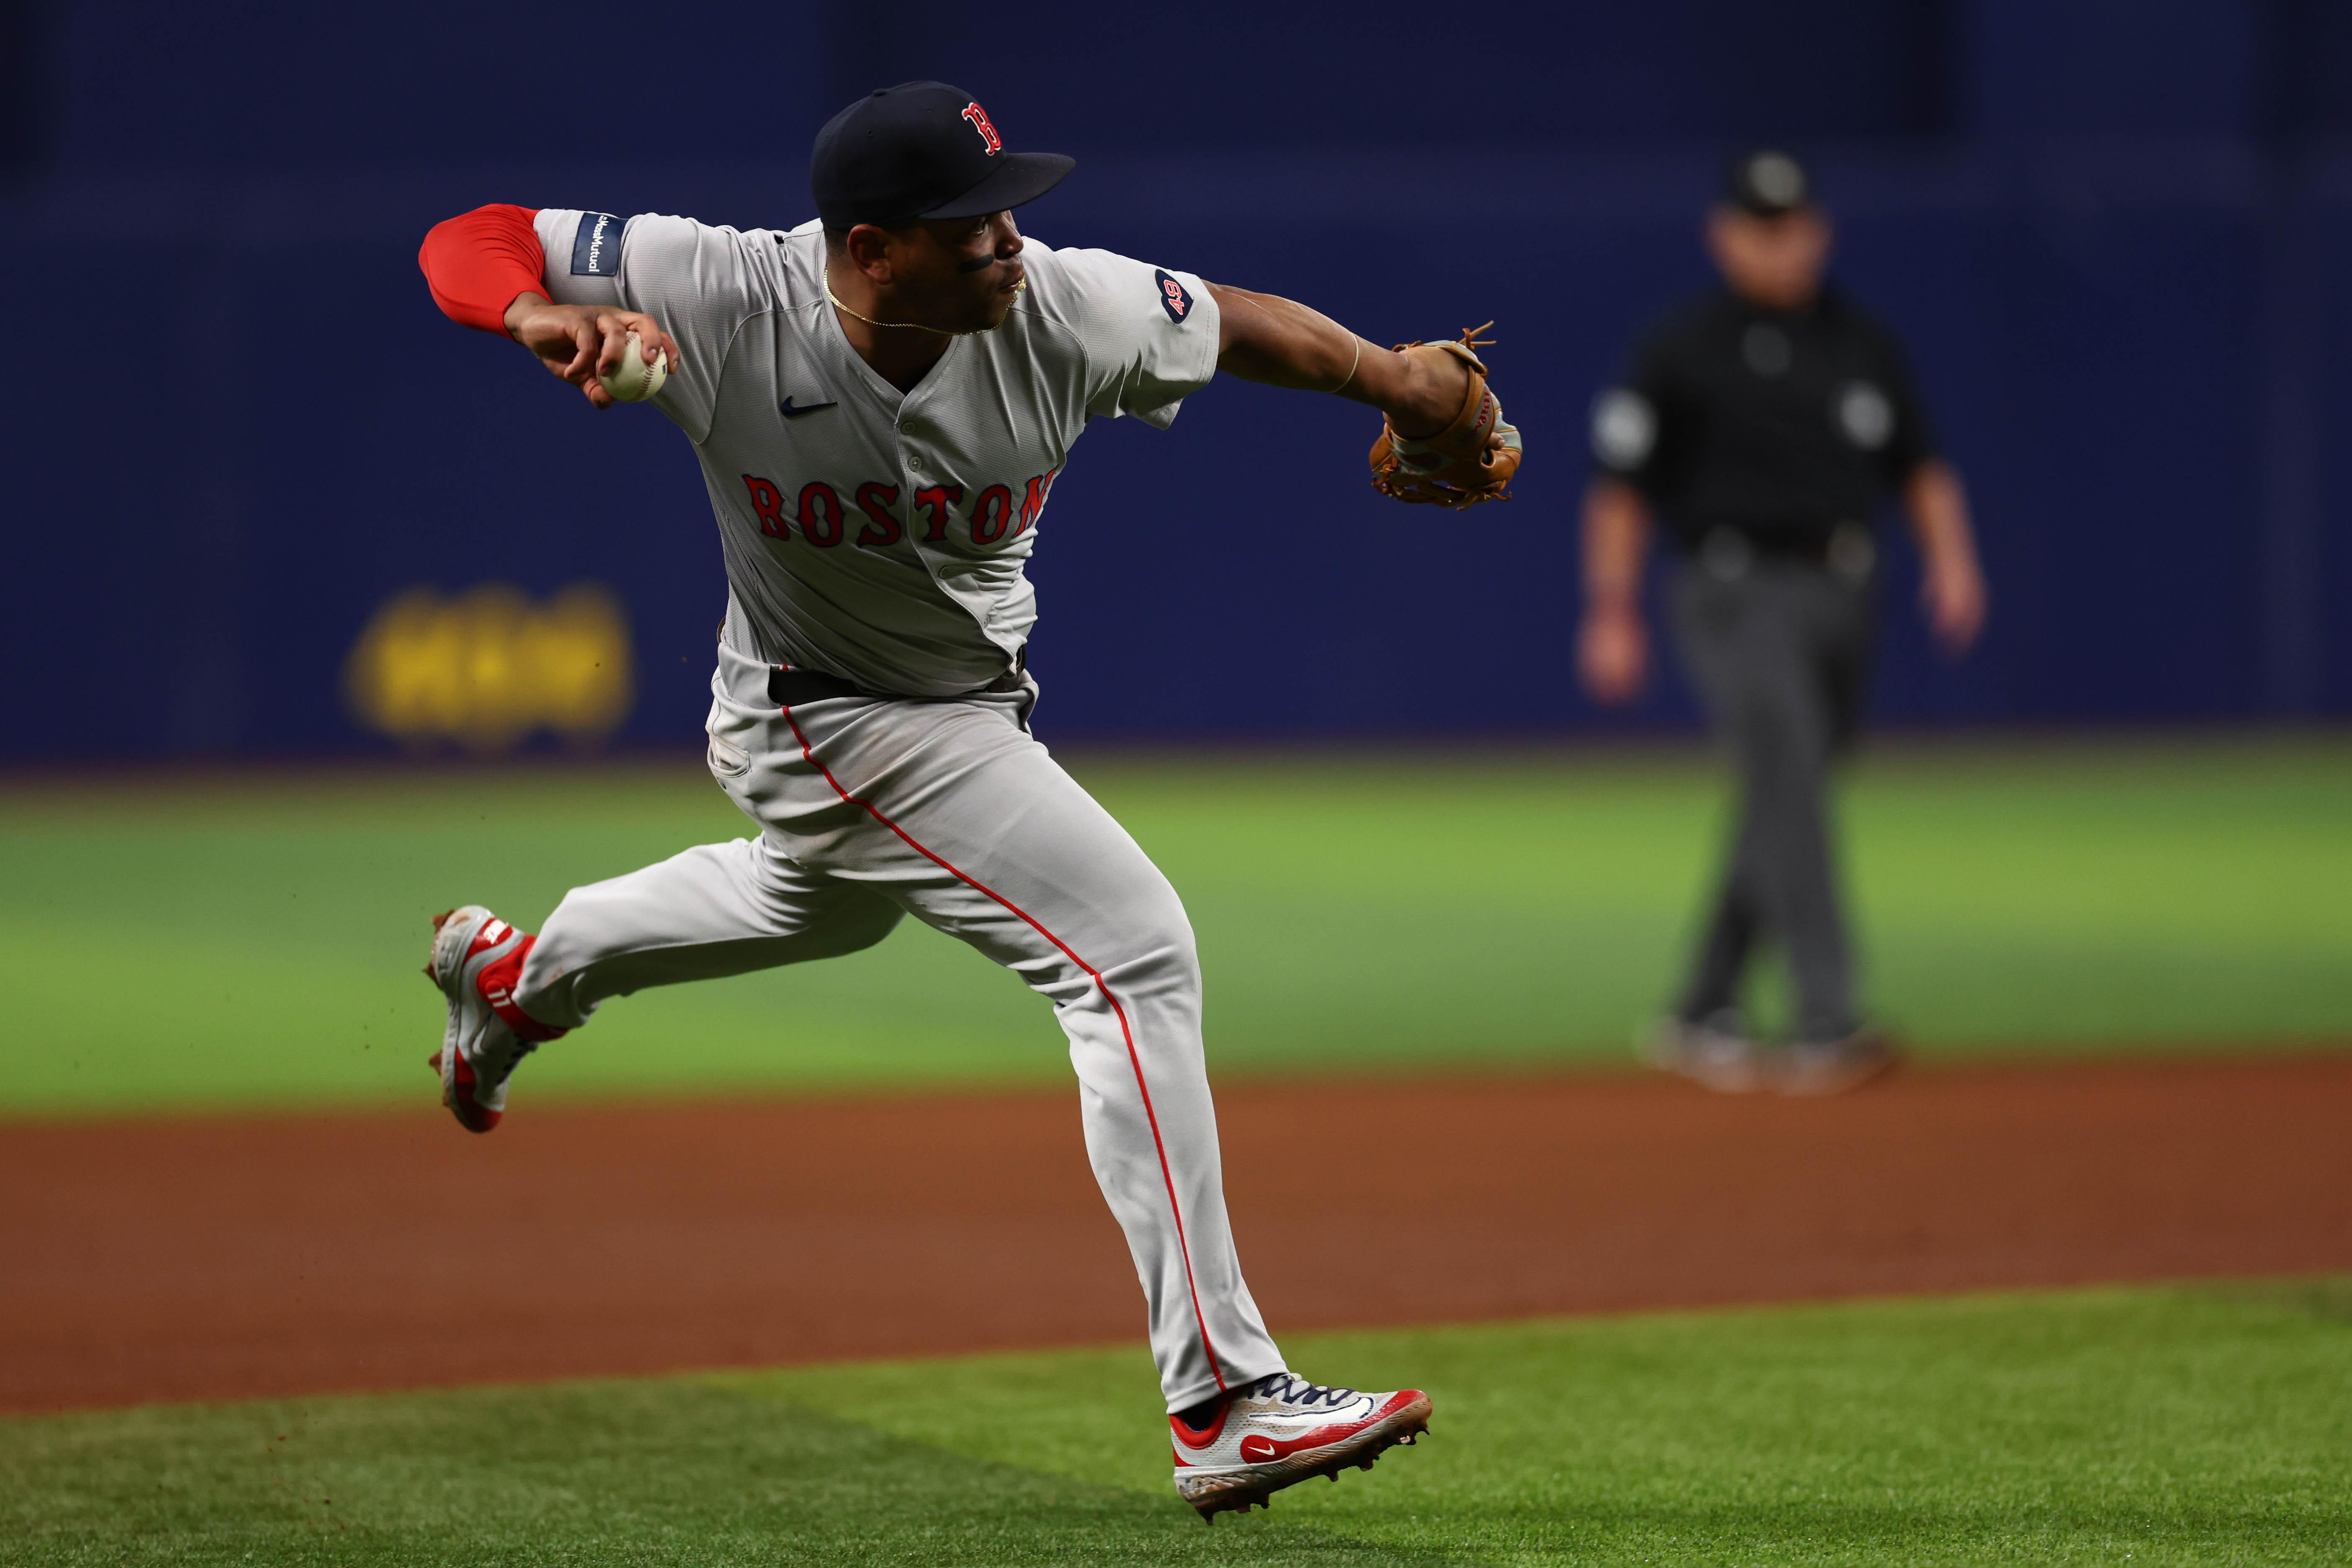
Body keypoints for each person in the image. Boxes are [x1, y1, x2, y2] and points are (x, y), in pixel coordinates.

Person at [414, 82, 1513, 1521]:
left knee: (809, 906)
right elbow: (473, 234)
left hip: (948, 701)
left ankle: (517, 977)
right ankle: (1225, 1398)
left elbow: (1239, 320)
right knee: (1129, 950)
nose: (1007, 241)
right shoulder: (726, 288)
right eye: (968, 224)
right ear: (871, 248)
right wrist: (531, 315)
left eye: (1007, 208)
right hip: (821, 705)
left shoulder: (1070, 305)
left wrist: (1400, 381)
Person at [1576, 149, 1986, 1096]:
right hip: (1730, 590)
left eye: (1793, 224)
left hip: (1845, 588)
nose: (1779, 242)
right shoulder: (1679, 347)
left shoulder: (1861, 343)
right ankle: (1825, 1014)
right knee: (1791, 771)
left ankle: (1701, 1005)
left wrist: (1954, 561)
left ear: (1819, 230)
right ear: (1724, 237)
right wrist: (1610, 611)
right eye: (1759, 226)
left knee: (1784, 789)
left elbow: (1921, 465)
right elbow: (1619, 492)